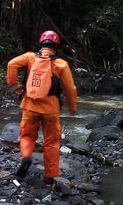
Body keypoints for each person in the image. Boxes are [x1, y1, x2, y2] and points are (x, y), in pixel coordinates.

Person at [6, 30, 77, 184]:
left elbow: (11, 64)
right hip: (51, 109)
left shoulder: (30, 57)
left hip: (30, 106)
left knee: (27, 136)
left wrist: (14, 85)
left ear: (41, 43)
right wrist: (72, 107)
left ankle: (26, 157)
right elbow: (70, 89)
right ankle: (50, 175)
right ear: (55, 46)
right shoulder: (61, 64)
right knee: (51, 142)